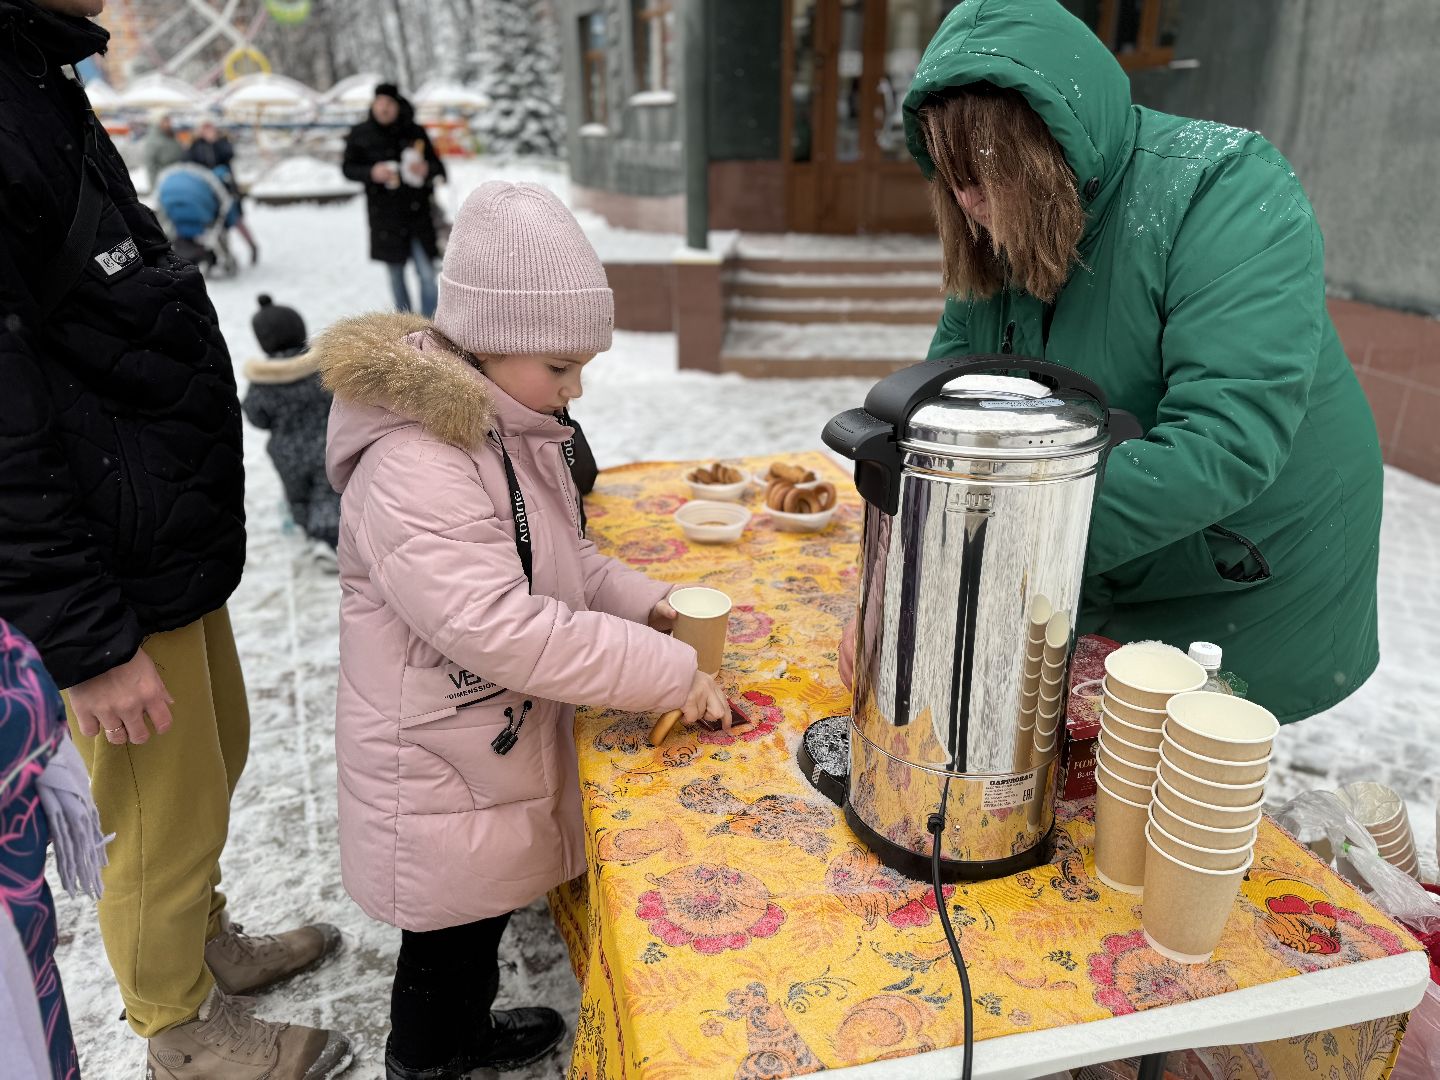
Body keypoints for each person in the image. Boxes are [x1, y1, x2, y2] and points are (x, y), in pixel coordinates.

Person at [842, 0, 1381, 724]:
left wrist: (987, 559)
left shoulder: (1223, 188)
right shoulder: (1000, 228)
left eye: (983, 170)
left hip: (1241, 566)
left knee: (1181, 786)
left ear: (1040, 148)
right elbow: (941, 416)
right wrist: (895, 586)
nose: (967, 202)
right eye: (950, 175)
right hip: (1097, 550)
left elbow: (1225, 441)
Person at [0, 2, 354, 1077]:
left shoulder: (35, 73)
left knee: (212, 759)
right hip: (104, 567)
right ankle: (180, 1028)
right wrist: (86, 639)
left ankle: (201, 942)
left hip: (152, 532)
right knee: (152, 808)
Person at [314, 181, 728, 1080]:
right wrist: (664, 669)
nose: (576, 388)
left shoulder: (508, 427)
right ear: (488, 341)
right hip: (433, 757)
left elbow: (564, 562)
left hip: (475, 746)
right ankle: (425, 1060)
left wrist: (648, 601)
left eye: (585, 365)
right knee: (445, 933)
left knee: (476, 918)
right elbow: (500, 624)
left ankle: (460, 1034)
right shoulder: (416, 462)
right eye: (561, 365)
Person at [242, 294, 341, 566]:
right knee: (327, 492)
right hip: (325, 443)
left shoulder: (264, 381)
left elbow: (255, 416)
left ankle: (307, 529)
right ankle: (327, 538)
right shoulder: (320, 368)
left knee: (297, 494)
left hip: (286, 454)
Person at [342, 82, 447, 317]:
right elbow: (347, 168)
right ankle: (406, 327)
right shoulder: (360, 133)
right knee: (396, 276)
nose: (384, 108)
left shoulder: (414, 132)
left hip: (418, 213)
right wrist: (371, 173)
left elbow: (439, 167)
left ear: (398, 106)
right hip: (385, 217)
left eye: (389, 103)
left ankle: (430, 325)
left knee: (427, 275)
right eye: (379, 103)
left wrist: (425, 169)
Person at [188, 119, 259, 264]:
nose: (207, 130)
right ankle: (227, 255)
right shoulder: (196, 145)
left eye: (209, 127)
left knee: (237, 219)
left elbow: (229, 154)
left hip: (227, 188)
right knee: (219, 224)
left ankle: (252, 246)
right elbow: (190, 163)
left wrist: (215, 142)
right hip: (208, 191)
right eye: (204, 127)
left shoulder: (222, 142)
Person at [140, 112, 185, 190]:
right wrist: (155, 187)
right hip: (164, 181)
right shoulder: (153, 140)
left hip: (178, 178)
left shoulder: (172, 136)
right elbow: (151, 166)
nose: (168, 123)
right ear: (158, 123)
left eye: (169, 120)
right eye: (165, 121)